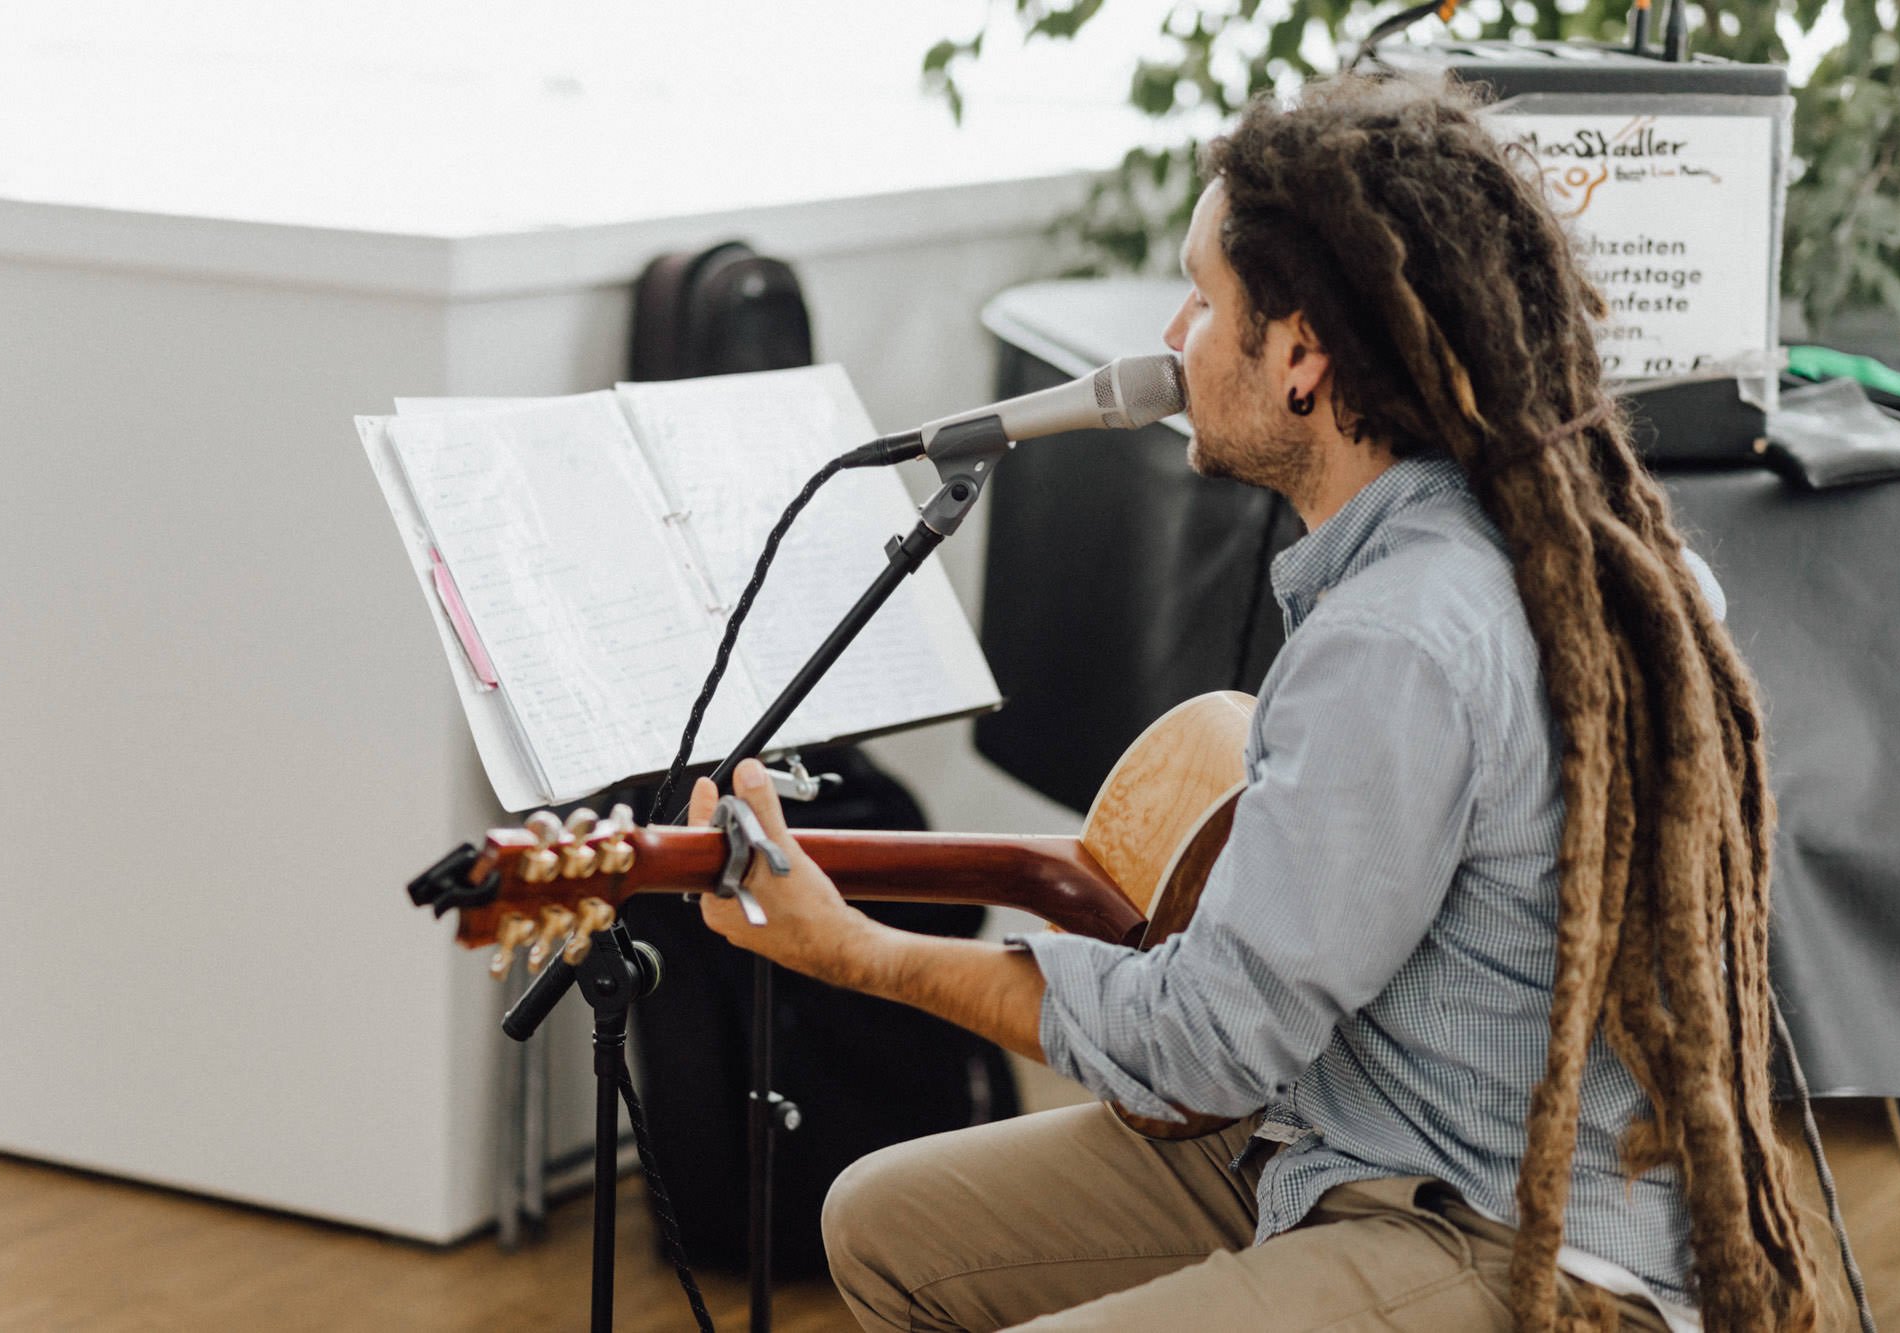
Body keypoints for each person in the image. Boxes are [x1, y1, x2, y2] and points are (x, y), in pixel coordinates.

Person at [683, 74, 1830, 1331]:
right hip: (1334, 1135)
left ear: (1298, 358)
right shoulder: (1535, 542)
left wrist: (852, 949)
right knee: (881, 1222)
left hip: (1504, 1227)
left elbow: (1201, 1044)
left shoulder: (1400, 635)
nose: (1172, 336)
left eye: (1202, 298)